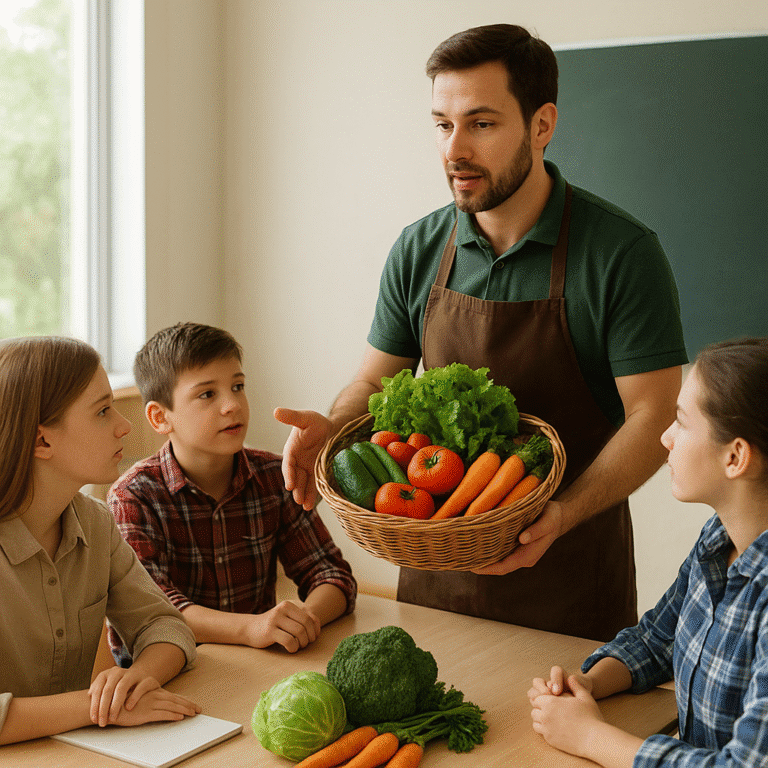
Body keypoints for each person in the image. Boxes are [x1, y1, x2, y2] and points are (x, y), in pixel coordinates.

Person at [275, 23, 687, 641]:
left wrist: (562, 514)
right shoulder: (419, 248)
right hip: (435, 582)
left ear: (542, 125)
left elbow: (655, 417)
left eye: (481, 123)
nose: (454, 150)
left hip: (568, 583)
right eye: (442, 124)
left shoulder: (620, 254)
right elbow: (374, 378)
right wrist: (333, 427)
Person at [529, 336, 768, 766]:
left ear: (735, 458)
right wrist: (587, 684)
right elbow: (659, 638)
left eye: (680, 420)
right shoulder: (718, 539)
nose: (666, 437)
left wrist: (590, 737)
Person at [108, 322, 357, 662]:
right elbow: (155, 610)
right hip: (168, 674)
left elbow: (331, 572)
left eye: (238, 386)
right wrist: (251, 628)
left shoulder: (274, 475)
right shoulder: (132, 496)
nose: (232, 405)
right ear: (160, 417)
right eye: (208, 394)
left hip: (255, 665)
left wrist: (305, 619)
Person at [0, 336, 199, 746]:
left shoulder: (95, 521)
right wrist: (97, 707)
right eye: (103, 411)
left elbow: (166, 626)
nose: (124, 425)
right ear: (42, 441)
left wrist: (132, 685)